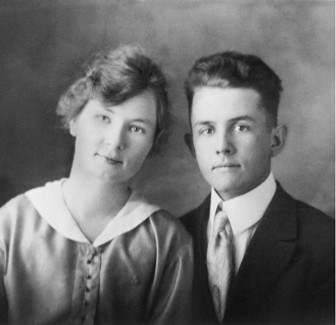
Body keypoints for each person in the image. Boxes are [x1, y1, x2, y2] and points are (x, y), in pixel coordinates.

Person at [0, 45, 193, 325]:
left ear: (152, 143)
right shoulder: (12, 224)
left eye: (137, 128)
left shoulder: (167, 242)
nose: (116, 141)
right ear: (74, 120)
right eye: (104, 118)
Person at [180, 51, 334, 325]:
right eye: (207, 130)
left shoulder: (326, 245)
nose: (222, 146)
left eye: (240, 127)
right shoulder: (170, 238)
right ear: (192, 145)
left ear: (275, 140)